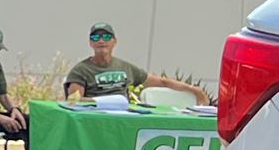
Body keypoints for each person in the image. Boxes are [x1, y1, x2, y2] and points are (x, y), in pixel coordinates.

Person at [65, 23, 210, 104]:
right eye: (96, 37)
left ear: (114, 42)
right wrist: (104, 103)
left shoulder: (125, 67)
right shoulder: (81, 71)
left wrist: (194, 90)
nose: (101, 41)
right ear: (90, 43)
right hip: (94, 118)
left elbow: (162, 82)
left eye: (106, 37)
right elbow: (74, 101)